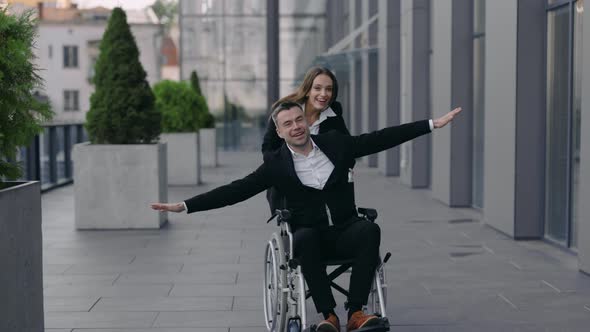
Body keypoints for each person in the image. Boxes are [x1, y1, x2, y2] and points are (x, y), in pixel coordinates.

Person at [151, 102, 462, 332]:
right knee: (303, 237)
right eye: (288, 123)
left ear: (307, 121)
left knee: (370, 230)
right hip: (309, 237)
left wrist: (431, 124)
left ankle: (356, 313)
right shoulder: (275, 165)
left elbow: (379, 138)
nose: (296, 126)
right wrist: (185, 206)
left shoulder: (336, 144)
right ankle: (328, 316)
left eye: (299, 119)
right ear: (279, 131)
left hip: (345, 229)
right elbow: (236, 190)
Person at [262, 66, 351, 212]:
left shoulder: (333, 112)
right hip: (291, 182)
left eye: (329, 89)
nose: (324, 94)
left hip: (324, 182)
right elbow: (268, 150)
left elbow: (347, 148)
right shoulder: (284, 110)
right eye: (318, 88)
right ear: (308, 89)